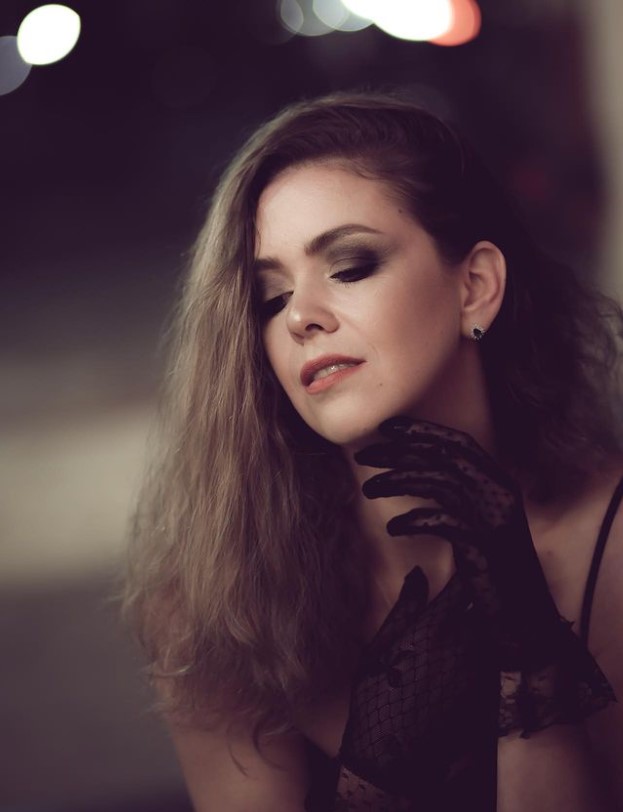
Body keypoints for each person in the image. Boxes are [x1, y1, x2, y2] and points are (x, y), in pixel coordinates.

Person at [124, 92, 623, 811]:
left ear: (475, 287)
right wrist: (383, 772)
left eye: (350, 266)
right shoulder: (217, 594)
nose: (300, 317)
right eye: (269, 298)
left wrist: (527, 652)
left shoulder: (610, 551)